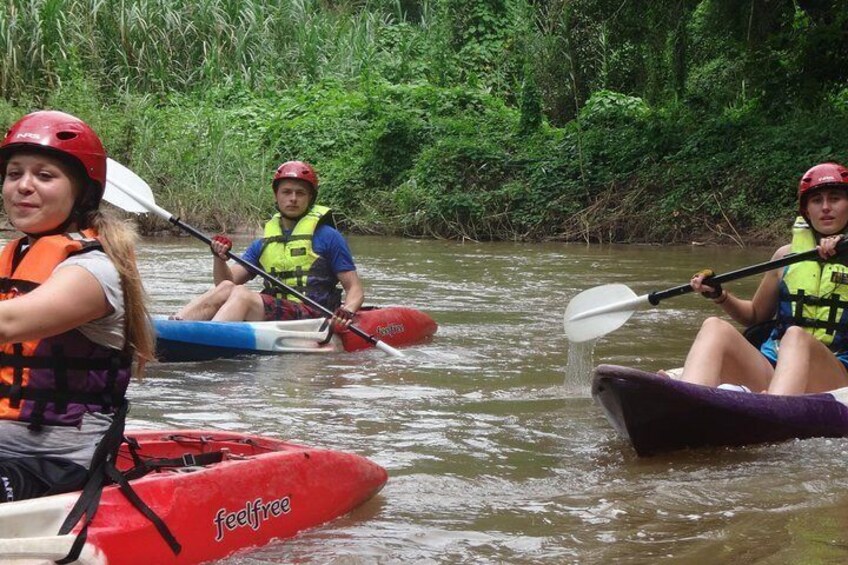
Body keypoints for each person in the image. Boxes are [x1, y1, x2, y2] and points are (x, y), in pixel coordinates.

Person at [0, 110, 154, 502]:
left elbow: (8, 322)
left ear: (82, 192)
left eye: (44, 176)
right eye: (14, 173)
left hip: (58, 464)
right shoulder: (14, 257)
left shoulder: (95, 271)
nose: (23, 186)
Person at [675, 162, 848, 395]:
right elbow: (754, 316)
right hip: (774, 365)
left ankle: (773, 413)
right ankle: (687, 402)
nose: (826, 207)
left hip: (835, 375)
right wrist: (720, 295)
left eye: (835, 198)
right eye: (817, 201)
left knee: (796, 336)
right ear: (806, 210)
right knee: (714, 327)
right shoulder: (785, 257)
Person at [173, 160, 364, 327]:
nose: (293, 199)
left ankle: (207, 337)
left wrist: (347, 310)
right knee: (227, 288)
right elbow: (226, 282)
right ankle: (176, 323)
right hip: (278, 311)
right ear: (276, 196)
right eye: (286, 192)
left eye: (300, 193)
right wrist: (219, 258)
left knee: (241, 295)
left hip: (313, 314)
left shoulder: (329, 237)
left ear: (310, 198)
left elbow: (354, 288)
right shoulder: (264, 242)